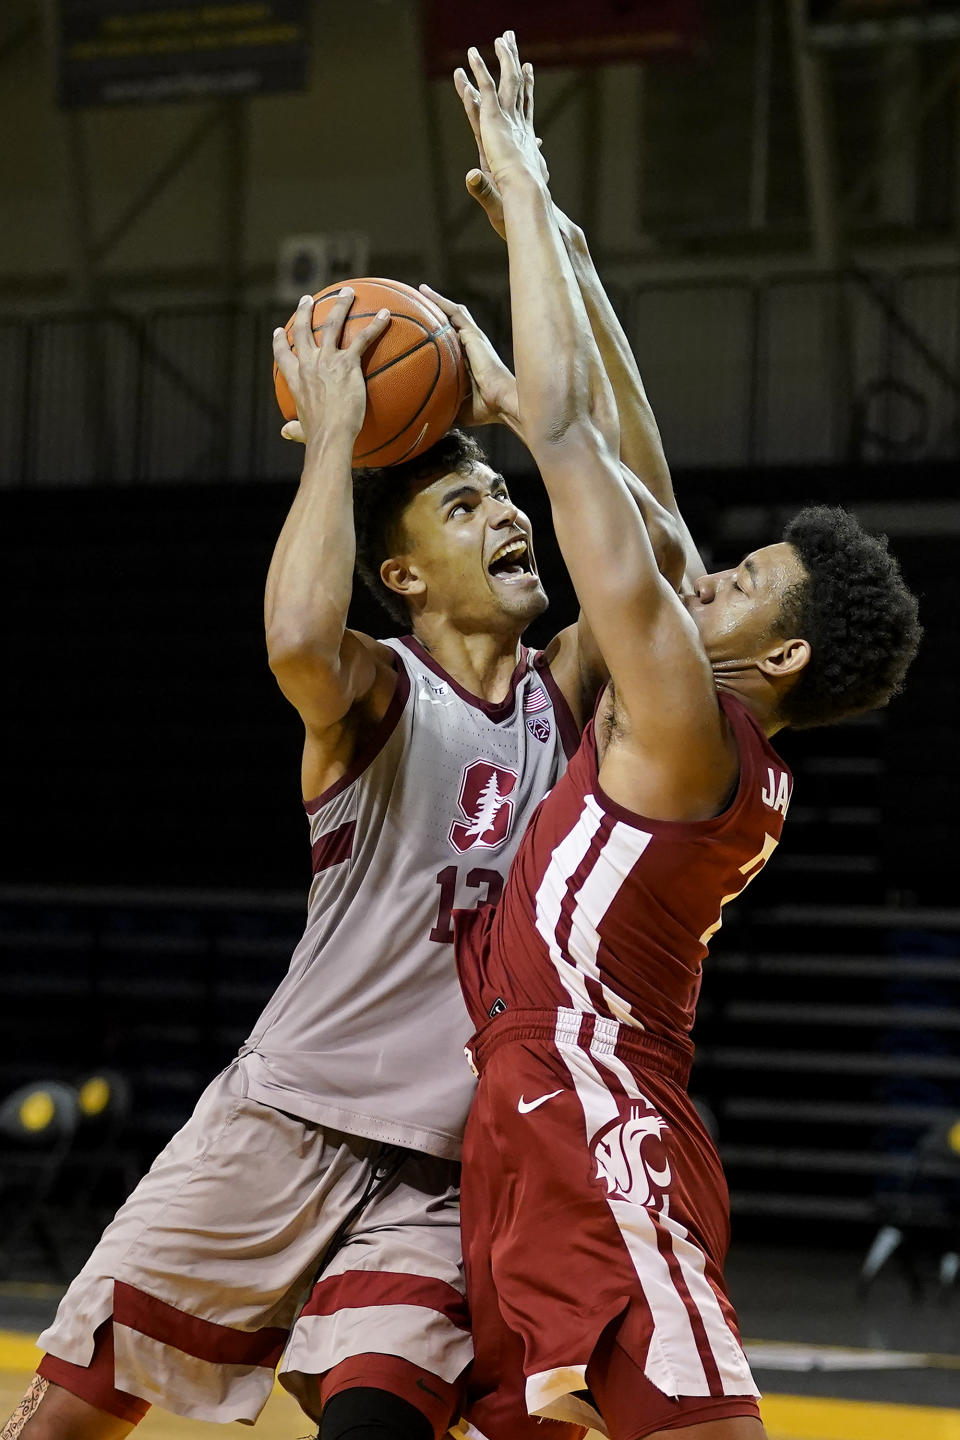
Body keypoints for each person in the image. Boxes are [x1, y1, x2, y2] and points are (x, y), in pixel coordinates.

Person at [7, 141, 694, 1440]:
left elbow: (653, 544)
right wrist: (333, 440)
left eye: (507, 498)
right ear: (407, 580)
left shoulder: (562, 693)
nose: (511, 516)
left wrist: (527, 365)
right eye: (469, 507)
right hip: (280, 1129)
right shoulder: (381, 696)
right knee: (61, 1430)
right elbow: (291, 645)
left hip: (439, 1175)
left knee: (381, 1425)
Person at [448, 33, 922, 1440]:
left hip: (596, 1109)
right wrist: (577, 256)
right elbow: (649, 506)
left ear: (777, 657)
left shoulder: (678, 715)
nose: (705, 573)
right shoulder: (699, 708)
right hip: (537, 1095)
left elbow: (582, 447)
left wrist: (529, 194)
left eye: (741, 584)